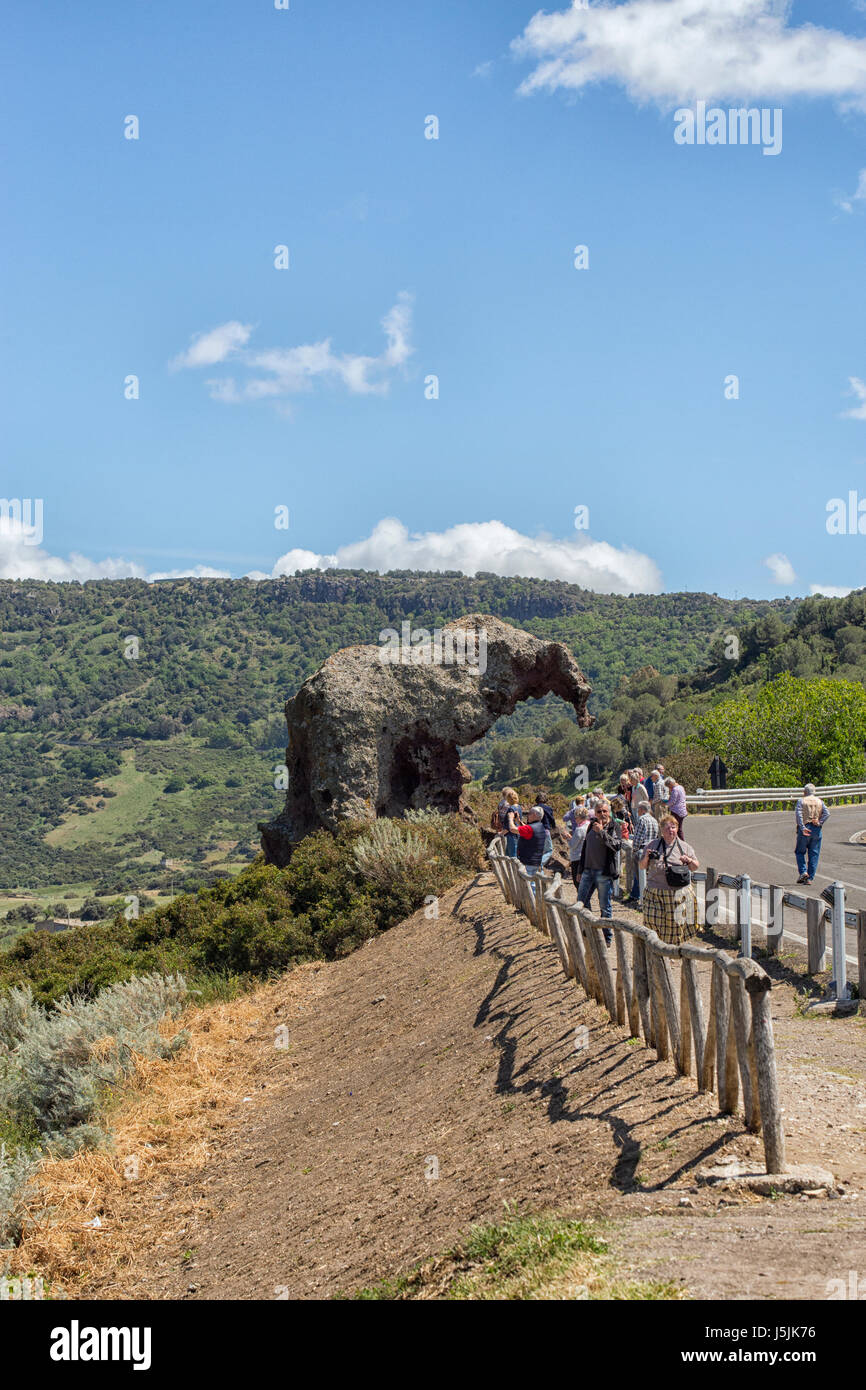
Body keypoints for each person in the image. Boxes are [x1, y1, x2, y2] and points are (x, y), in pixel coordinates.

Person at [639, 812, 701, 945]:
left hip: (678, 893)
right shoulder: (652, 845)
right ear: (661, 830)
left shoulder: (684, 847)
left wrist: (689, 860)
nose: (670, 830)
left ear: (677, 829)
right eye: (667, 827)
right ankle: (655, 951)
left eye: (673, 827)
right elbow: (642, 866)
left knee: (674, 927)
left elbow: (695, 866)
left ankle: (670, 952)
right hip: (654, 891)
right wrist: (646, 858)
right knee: (652, 922)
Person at [575, 801, 622, 946]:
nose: (602, 814)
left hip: (604, 872)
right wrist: (580, 869)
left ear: (609, 812)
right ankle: (589, 929)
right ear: (595, 813)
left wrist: (601, 832)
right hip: (588, 870)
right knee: (581, 901)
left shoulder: (614, 826)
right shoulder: (591, 824)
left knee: (604, 906)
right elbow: (585, 848)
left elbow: (616, 846)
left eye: (604, 811)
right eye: (599, 811)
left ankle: (607, 938)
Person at [626, 797, 658, 903]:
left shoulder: (641, 820)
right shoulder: (654, 820)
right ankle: (635, 895)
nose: (637, 811)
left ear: (642, 810)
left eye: (638, 809)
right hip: (652, 850)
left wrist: (634, 849)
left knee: (639, 875)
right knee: (646, 875)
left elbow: (638, 837)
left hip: (641, 850)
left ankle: (642, 898)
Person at [795, 783, 829, 884]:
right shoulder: (820, 801)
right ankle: (810, 878)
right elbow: (827, 813)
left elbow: (799, 815)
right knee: (814, 853)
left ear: (804, 792)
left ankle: (803, 872)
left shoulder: (801, 801)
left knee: (800, 852)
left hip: (806, 827)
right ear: (814, 792)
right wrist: (820, 821)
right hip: (816, 828)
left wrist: (802, 827)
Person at [567, 806, 590, 890]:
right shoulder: (589, 825)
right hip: (587, 857)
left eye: (575, 817)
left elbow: (572, 845)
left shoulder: (579, 829)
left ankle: (582, 901)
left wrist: (568, 838)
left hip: (577, 857)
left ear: (579, 817)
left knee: (577, 882)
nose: (575, 819)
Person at [502, 788, 522, 858]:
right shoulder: (519, 807)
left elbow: (508, 825)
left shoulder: (511, 809)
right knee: (513, 854)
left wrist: (501, 833)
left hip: (511, 835)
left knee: (512, 856)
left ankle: (514, 869)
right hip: (518, 833)